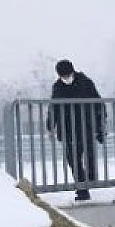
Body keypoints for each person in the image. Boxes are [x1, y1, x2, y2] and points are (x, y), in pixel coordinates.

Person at [45, 59, 105, 201]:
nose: (66, 78)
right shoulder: (58, 87)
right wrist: (50, 127)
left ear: (72, 72)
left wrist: (100, 126)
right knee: (73, 160)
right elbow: (53, 107)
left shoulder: (85, 82)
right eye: (63, 76)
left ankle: (89, 180)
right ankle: (82, 189)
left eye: (67, 75)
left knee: (89, 157)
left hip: (87, 127)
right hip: (68, 130)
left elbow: (98, 104)